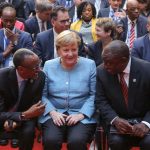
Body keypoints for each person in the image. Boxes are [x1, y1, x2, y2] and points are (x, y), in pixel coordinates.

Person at [39, 30, 96, 150]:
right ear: (58, 50)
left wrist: (81, 114)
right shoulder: (49, 65)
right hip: (54, 113)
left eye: (74, 49)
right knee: (51, 140)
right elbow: (42, 95)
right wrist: (52, 112)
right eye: (65, 50)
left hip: (81, 113)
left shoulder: (90, 65)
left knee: (77, 142)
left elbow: (94, 95)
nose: (70, 54)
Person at [95, 40, 150, 150]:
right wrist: (115, 119)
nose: (105, 66)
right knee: (116, 142)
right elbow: (100, 100)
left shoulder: (146, 70)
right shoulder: (101, 71)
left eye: (109, 62)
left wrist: (146, 123)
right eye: (104, 61)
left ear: (123, 61)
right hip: (118, 121)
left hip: (144, 119)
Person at [0, 48, 46, 150]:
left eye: (39, 65)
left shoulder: (40, 77)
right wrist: (21, 115)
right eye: (35, 67)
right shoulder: (1, 77)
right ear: (21, 69)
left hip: (27, 116)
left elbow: (35, 108)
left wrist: (21, 118)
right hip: (5, 115)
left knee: (28, 131)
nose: (39, 69)